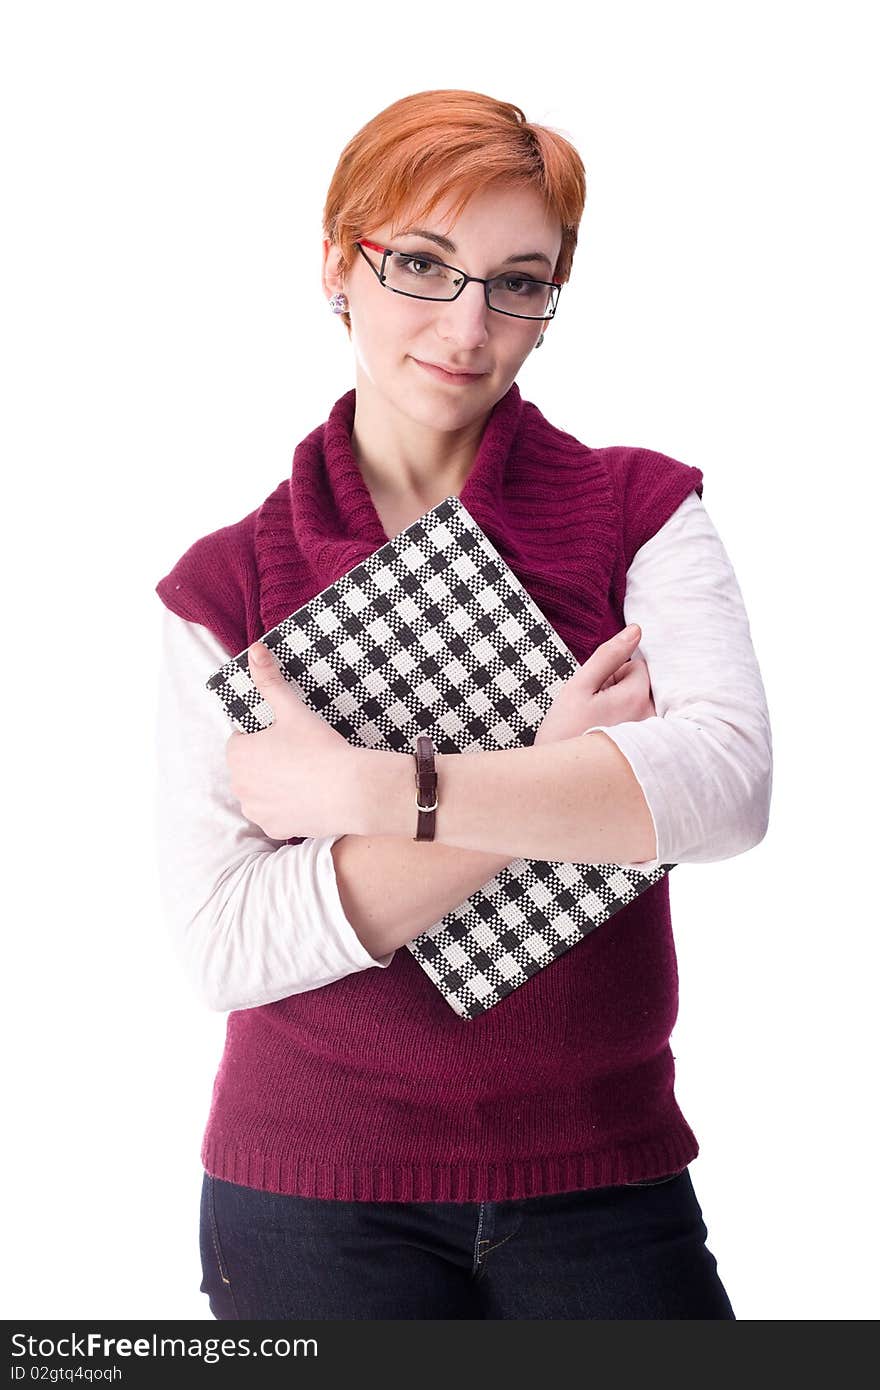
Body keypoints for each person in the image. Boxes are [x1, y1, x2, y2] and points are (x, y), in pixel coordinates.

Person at [154, 88, 772, 1320]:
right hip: (310, 1198)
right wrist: (556, 783)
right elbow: (222, 939)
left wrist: (368, 793)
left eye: (518, 280)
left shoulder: (635, 509)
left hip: (604, 1176)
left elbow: (726, 786)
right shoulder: (224, 583)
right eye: (423, 265)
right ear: (340, 264)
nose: (466, 324)